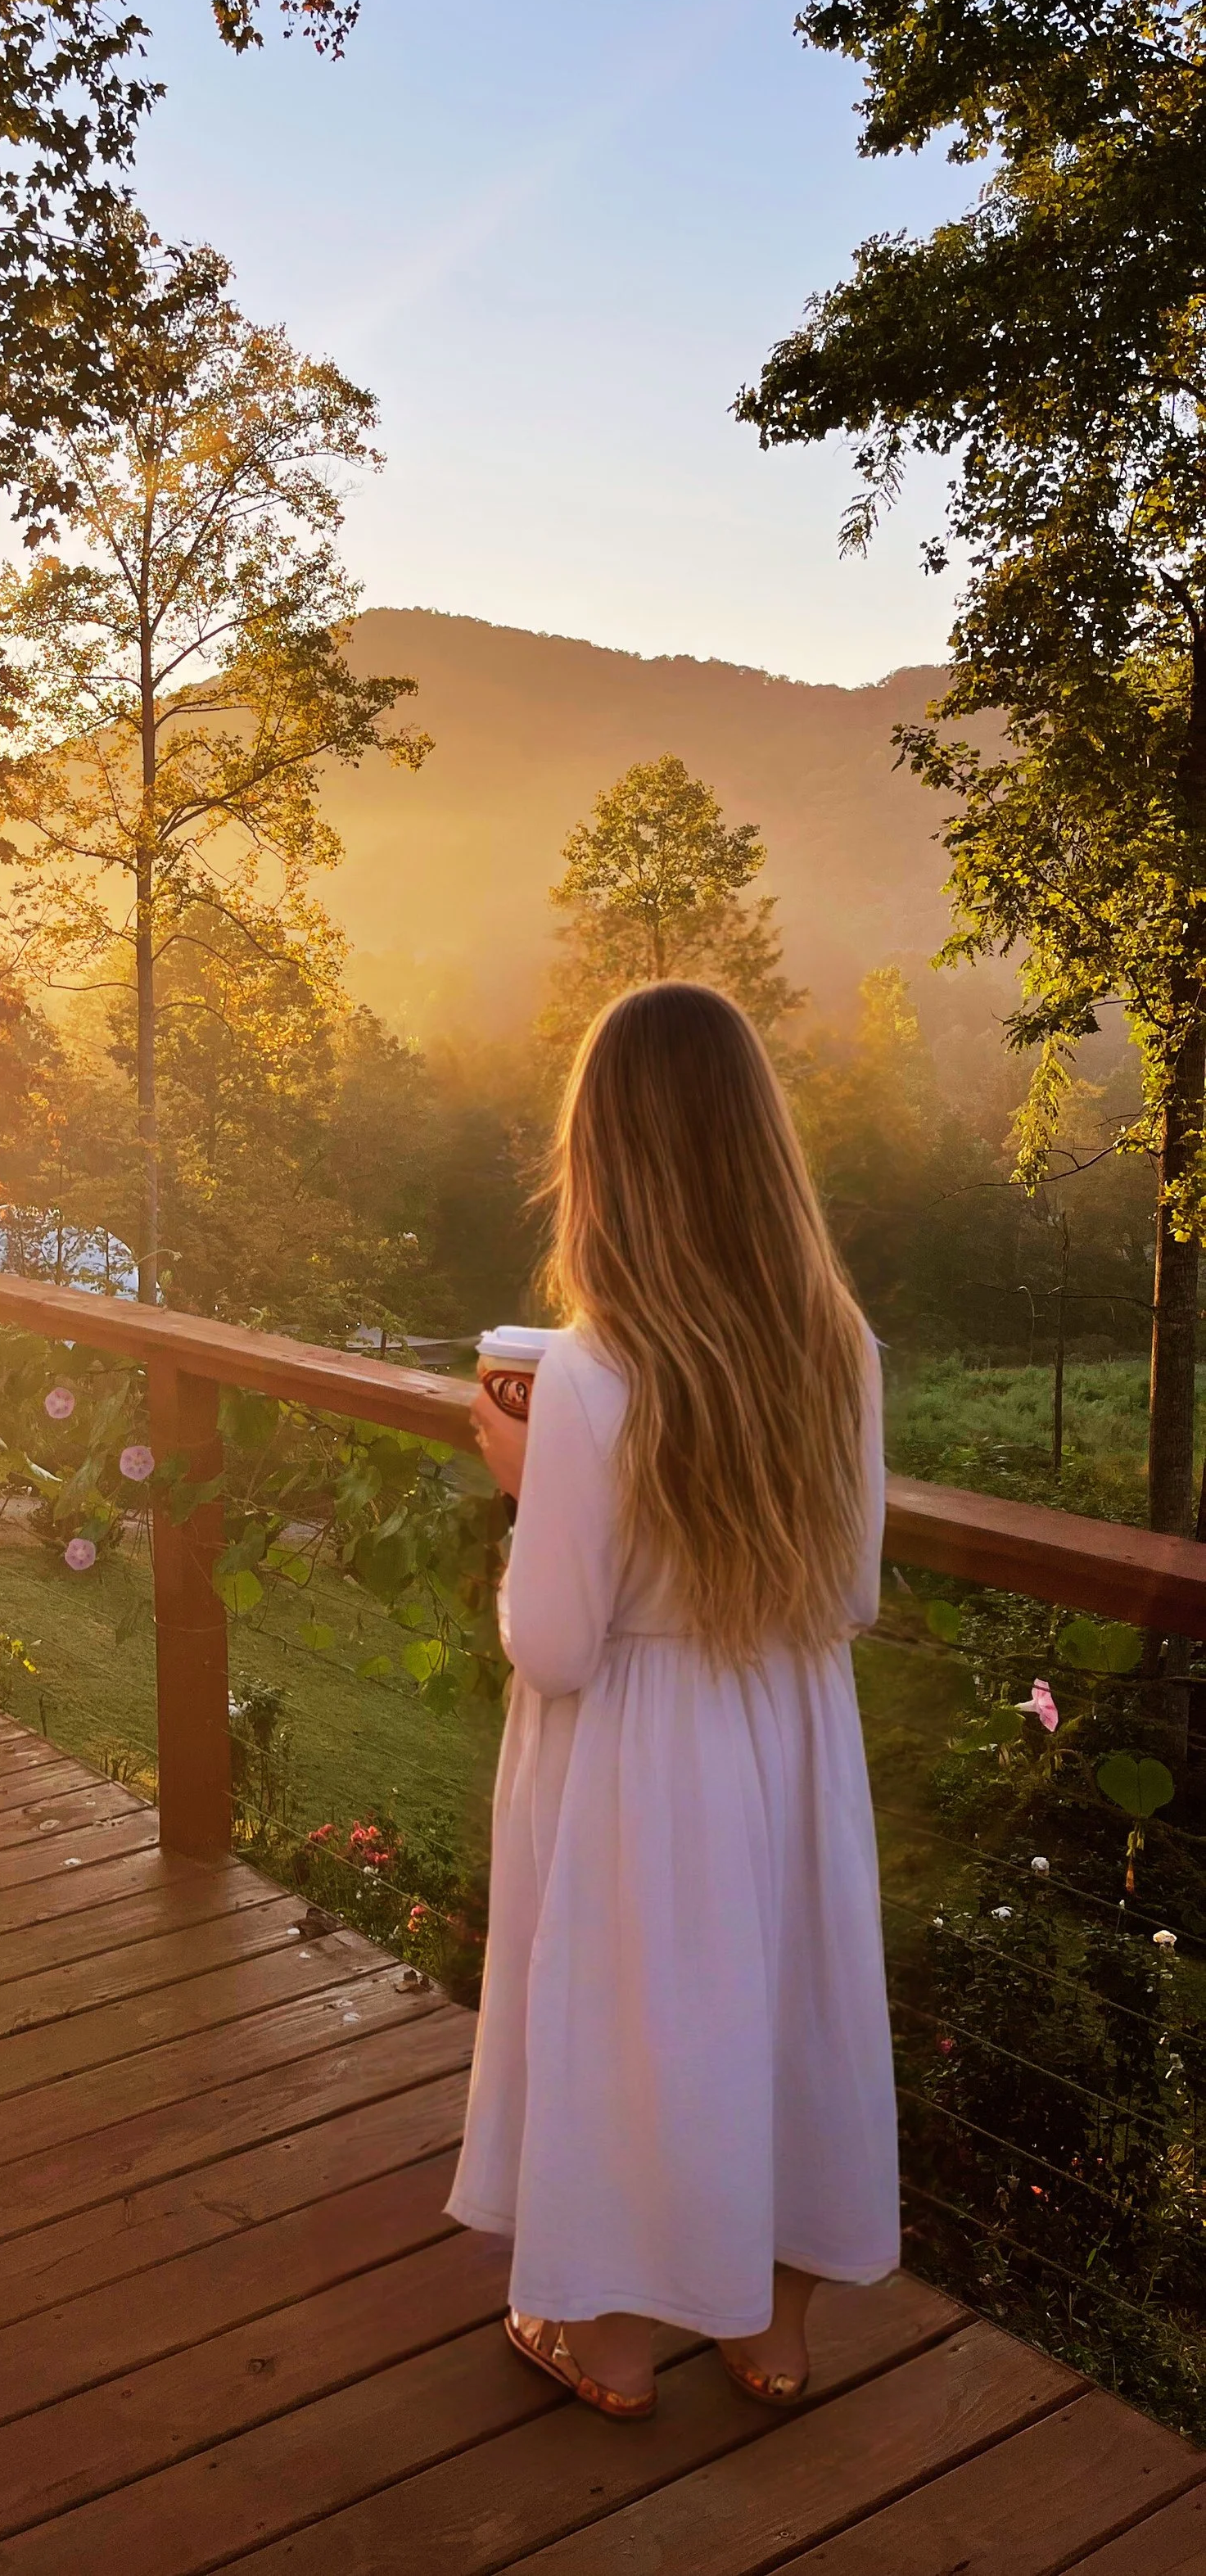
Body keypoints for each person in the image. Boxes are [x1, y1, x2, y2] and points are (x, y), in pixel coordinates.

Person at [451, 980, 899, 2421]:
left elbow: (560, 1646)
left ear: (605, 1160)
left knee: (634, 2023)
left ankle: (616, 2345)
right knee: (784, 2010)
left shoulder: (586, 1376)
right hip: (787, 1738)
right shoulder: (840, 1350)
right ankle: (775, 2335)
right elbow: (849, 1597)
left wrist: (525, 1487)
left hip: (636, 1759)